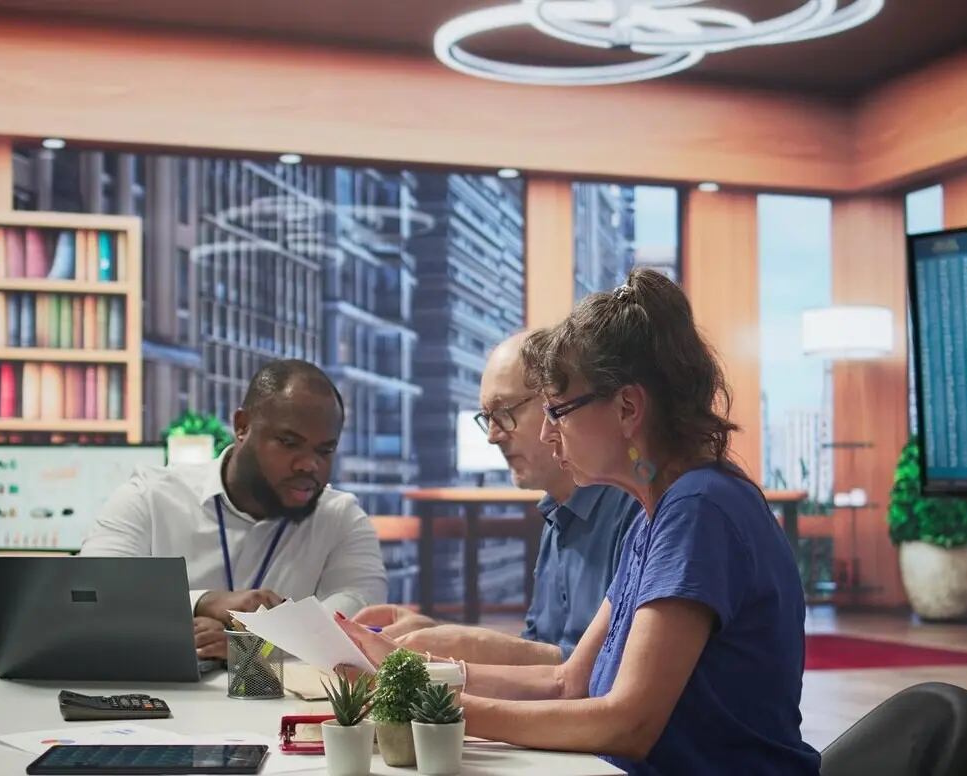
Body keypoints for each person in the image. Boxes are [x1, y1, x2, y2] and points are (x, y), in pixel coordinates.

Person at [336, 268, 820, 776]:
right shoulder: (657, 515)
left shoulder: (699, 509)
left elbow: (626, 723)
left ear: (628, 407)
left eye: (559, 411)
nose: (547, 433)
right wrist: (411, 670)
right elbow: (568, 681)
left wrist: (439, 709)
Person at [352, 331, 642, 664]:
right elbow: (537, 650)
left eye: (504, 412)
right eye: (487, 418)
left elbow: (611, 674)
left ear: (558, 403)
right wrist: (437, 635)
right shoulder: (556, 514)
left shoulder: (637, 511)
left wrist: (466, 643)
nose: (493, 436)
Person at [80, 359, 388, 660]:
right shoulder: (150, 497)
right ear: (242, 426)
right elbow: (89, 596)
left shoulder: (342, 519)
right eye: (289, 442)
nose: (309, 464)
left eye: (325, 451)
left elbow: (358, 621)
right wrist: (202, 602)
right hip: (162, 708)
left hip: (281, 711)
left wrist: (252, 648)